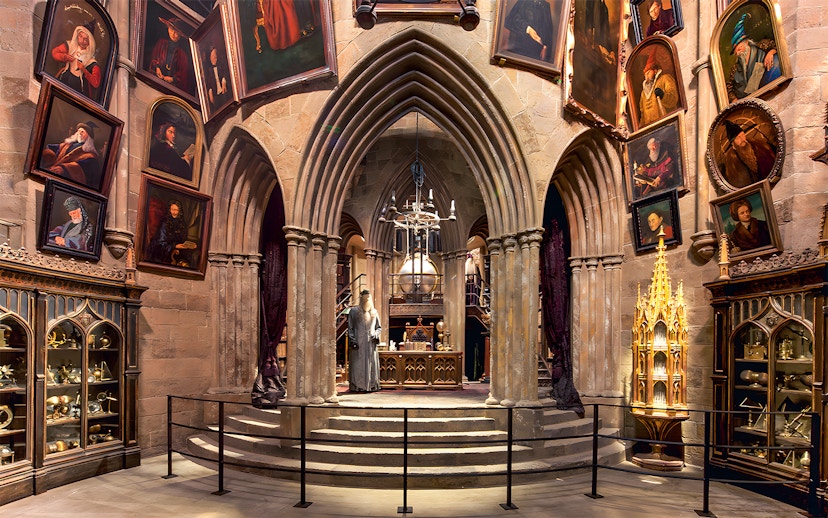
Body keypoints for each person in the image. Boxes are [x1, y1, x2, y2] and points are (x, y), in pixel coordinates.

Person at [726, 13, 781, 103]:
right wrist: (734, 99)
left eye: (739, 49)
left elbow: (778, 45)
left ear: (747, 42)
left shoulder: (762, 46)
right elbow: (728, 86)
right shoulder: (735, 69)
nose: (738, 53)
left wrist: (771, 52)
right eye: (736, 52)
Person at [40, 121, 102, 188]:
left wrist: (63, 168)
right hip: (51, 172)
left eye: (82, 132)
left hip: (64, 177)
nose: (79, 134)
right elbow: (55, 148)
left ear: (89, 136)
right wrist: (48, 153)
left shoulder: (90, 155)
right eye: (78, 131)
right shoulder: (68, 144)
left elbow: (83, 167)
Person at [50, 21, 102, 101]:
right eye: (80, 37)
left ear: (89, 42)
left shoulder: (92, 62)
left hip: (79, 89)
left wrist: (84, 70)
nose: (81, 41)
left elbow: (96, 83)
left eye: (85, 39)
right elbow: (54, 53)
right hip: (64, 78)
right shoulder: (70, 46)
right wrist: (65, 57)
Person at [718, 119, 777, 188]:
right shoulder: (732, 165)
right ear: (733, 144)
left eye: (743, 135)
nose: (742, 139)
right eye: (738, 138)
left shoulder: (762, 147)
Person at [347, 289, 381, 393]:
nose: (366, 300)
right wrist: (352, 340)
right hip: (358, 342)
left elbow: (378, 327)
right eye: (364, 298)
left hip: (370, 343)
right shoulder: (354, 311)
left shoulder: (374, 312)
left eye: (368, 298)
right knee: (358, 364)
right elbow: (350, 327)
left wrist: (375, 334)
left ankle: (371, 385)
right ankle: (357, 386)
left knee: (371, 363)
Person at [148, 17, 192, 93]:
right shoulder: (161, 43)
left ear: (180, 35)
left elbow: (183, 76)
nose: (173, 34)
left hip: (172, 90)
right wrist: (157, 68)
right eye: (171, 30)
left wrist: (172, 79)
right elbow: (154, 59)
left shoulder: (183, 55)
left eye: (177, 33)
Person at [147, 200, 196, 266]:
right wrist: (174, 246)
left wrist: (189, 245)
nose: (174, 212)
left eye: (176, 210)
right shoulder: (164, 223)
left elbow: (183, 240)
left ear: (179, 211)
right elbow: (161, 242)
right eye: (172, 209)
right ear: (169, 210)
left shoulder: (182, 224)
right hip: (163, 249)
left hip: (179, 249)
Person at [637, 49, 679, 128]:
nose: (646, 76)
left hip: (666, 124)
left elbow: (673, 98)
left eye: (648, 72)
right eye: (645, 74)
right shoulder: (643, 93)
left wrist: (663, 95)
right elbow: (642, 114)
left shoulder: (665, 78)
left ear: (655, 71)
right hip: (651, 129)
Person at [205, 46, 230, 110]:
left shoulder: (221, 66)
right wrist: (210, 91)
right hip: (215, 93)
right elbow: (208, 82)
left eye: (215, 56)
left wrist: (223, 82)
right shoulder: (209, 70)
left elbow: (225, 74)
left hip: (223, 91)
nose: (214, 58)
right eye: (212, 56)